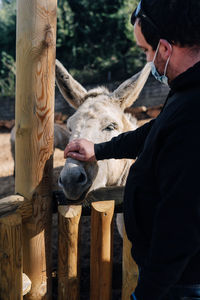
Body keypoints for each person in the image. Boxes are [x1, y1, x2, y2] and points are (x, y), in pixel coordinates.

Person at [63, 0, 200, 299]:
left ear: (164, 49)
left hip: (181, 285)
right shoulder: (187, 93)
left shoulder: (194, 110)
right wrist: (98, 150)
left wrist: (148, 292)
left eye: (147, 52)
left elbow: (182, 221)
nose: (149, 61)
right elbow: (153, 131)